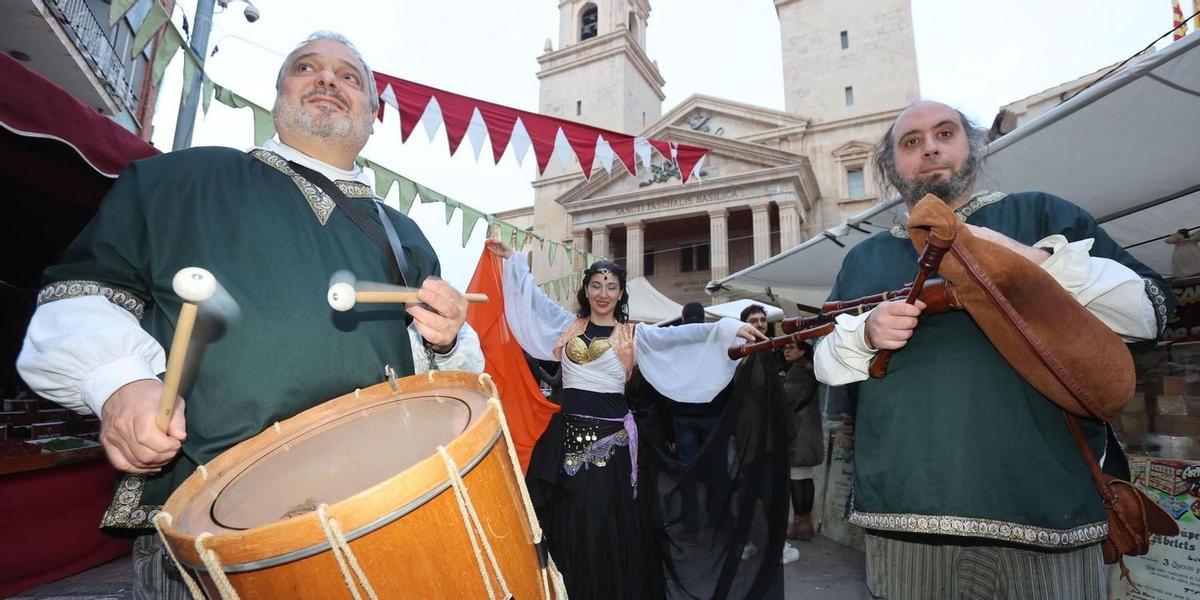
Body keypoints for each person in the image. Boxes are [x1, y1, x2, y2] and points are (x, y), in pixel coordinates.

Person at [17, 32, 483, 599]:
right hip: (206, 532)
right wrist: (120, 385)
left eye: (349, 76)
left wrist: (445, 341)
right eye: (306, 67)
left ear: (373, 114)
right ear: (278, 93)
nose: (328, 80)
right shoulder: (180, 180)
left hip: (372, 518)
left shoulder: (405, 236)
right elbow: (81, 296)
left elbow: (430, 386)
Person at [813, 100, 1173, 599]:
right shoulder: (864, 258)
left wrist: (1031, 262)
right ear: (890, 165)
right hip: (904, 516)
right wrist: (867, 333)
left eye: (945, 133)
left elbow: (1150, 312)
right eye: (911, 142)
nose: (930, 148)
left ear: (974, 146)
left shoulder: (1039, 214)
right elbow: (825, 362)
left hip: (1047, 514)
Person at [488, 241, 764, 600]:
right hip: (566, 440)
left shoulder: (634, 335)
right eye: (596, 285)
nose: (603, 293)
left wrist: (725, 330)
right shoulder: (567, 326)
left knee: (605, 517)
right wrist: (514, 262)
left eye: (611, 286)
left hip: (613, 445)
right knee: (569, 515)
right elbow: (533, 302)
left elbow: (679, 335)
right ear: (586, 290)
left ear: (620, 294)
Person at [781, 340, 820, 542]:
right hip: (810, 429)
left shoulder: (797, 371)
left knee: (796, 476)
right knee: (805, 476)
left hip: (799, 430)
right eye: (785, 348)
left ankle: (799, 524)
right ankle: (805, 523)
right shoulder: (810, 369)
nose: (786, 351)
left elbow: (787, 398)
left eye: (791, 348)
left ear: (802, 350)